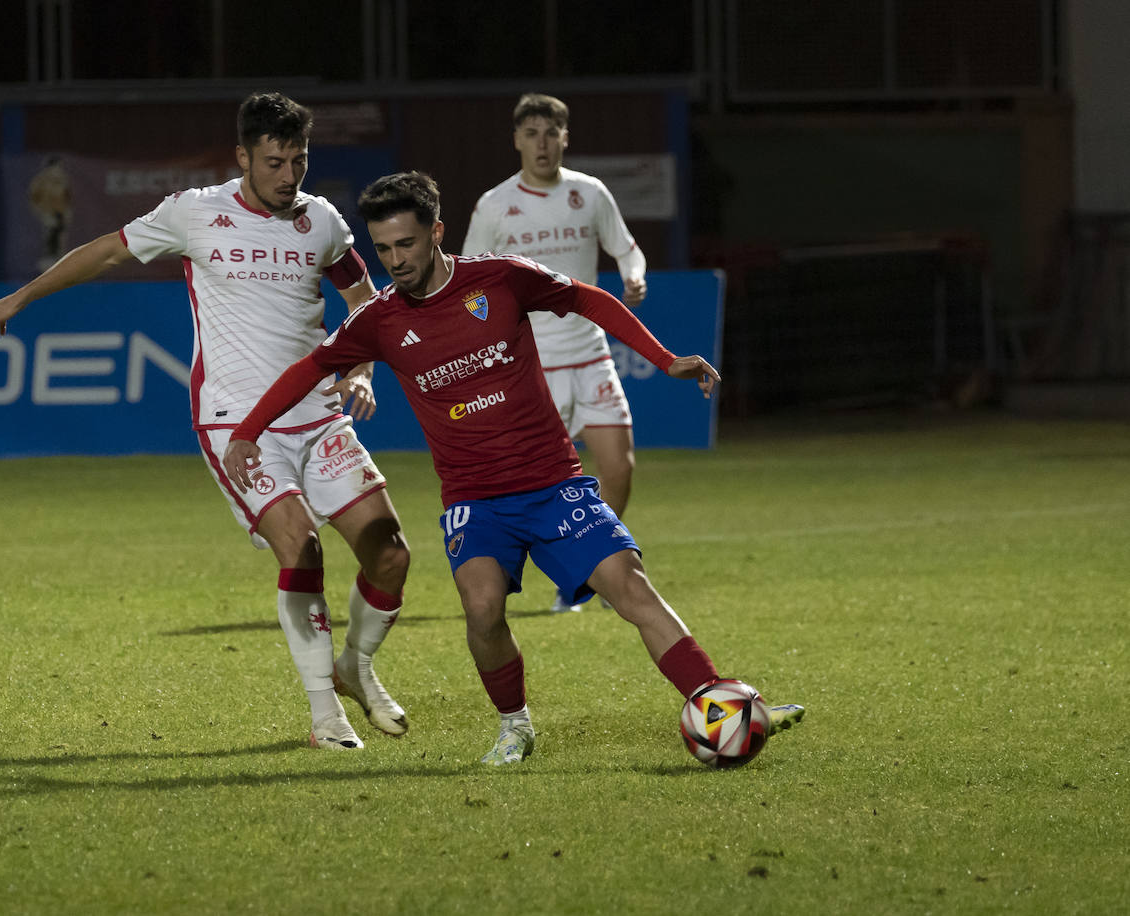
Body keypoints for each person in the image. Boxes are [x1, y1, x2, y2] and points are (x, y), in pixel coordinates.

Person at [224, 171, 804, 765]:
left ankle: (723, 703)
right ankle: (515, 725)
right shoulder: (380, 319)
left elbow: (586, 297)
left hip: (554, 483)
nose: (396, 260)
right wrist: (246, 433)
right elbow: (310, 369)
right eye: (384, 248)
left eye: (407, 244)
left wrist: (663, 358)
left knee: (630, 587)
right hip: (475, 501)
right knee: (481, 608)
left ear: (437, 233)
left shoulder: (498, 278)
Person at [0, 92, 411, 751]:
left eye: (300, 160)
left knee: (391, 553)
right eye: (274, 163)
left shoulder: (320, 221)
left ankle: (355, 662)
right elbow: (107, 252)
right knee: (303, 547)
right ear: (243, 158)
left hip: (320, 419)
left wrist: (362, 370)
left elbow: (361, 300)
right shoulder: (196, 213)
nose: (289, 177)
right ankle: (326, 714)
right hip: (236, 422)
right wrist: (20, 297)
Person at [461, 93, 645, 613]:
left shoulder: (590, 194)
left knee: (620, 467)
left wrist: (634, 275)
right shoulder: (495, 205)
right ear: (517, 140)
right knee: (531, 485)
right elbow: (470, 276)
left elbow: (626, 246)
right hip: (531, 366)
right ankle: (547, 574)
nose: (542, 143)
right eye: (532, 133)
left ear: (565, 138)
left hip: (590, 354)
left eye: (551, 132)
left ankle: (598, 572)